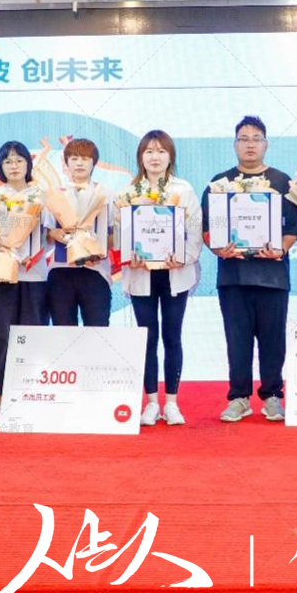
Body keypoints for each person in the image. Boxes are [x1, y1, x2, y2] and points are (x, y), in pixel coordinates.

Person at [203, 116, 297, 423]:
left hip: (273, 276)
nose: (250, 144)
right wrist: (218, 248)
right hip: (233, 277)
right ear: (234, 144)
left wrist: (281, 248)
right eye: (243, 139)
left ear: (266, 144)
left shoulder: (282, 182)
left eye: (256, 139)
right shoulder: (220, 184)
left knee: (274, 340)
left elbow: (293, 228)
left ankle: (272, 396)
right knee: (237, 340)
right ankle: (239, 397)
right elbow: (209, 229)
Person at [119, 130, 202, 427]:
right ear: (140, 157)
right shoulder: (128, 192)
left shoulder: (183, 189)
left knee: (172, 337)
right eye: (149, 151)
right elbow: (119, 232)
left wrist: (183, 256)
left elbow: (195, 229)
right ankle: (152, 402)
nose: (155, 157)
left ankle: (172, 403)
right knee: (148, 338)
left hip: (174, 273)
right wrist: (129, 254)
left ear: (171, 157)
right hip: (141, 274)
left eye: (161, 151)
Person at [0, 141, 51, 428]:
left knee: (32, 337)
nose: (14, 165)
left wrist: (37, 254)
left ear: (28, 165)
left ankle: (30, 399)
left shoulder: (42, 197)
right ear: (0, 167)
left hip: (34, 277)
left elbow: (50, 234)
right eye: (7, 161)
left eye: (19, 160)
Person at [46, 138, 112, 327]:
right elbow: (47, 233)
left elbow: (113, 233)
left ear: (94, 162)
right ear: (66, 163)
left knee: (97, 330)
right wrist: (58, 235)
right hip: (61, 270)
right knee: (64, 330)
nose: (79, 163)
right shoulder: (55, 194)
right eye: (74, 159)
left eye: (85, 158)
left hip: (95, 270)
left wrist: (97, 247)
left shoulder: (106, 193)